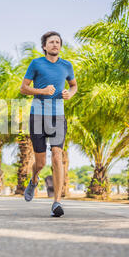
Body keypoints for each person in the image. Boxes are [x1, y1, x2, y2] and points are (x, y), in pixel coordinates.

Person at [20, 31, 78, 217]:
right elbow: (23, 88)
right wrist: (42, 91)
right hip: (37, 115)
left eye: (58, 42)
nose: (55, 44)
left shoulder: (66, 65)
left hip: (58, 116)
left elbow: (74, 85)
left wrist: (70, 93)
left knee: (56, 155)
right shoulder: (36, 63)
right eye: (51, 42)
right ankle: (34, 179)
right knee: (40, 162)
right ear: (44, 46)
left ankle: (56, 202)